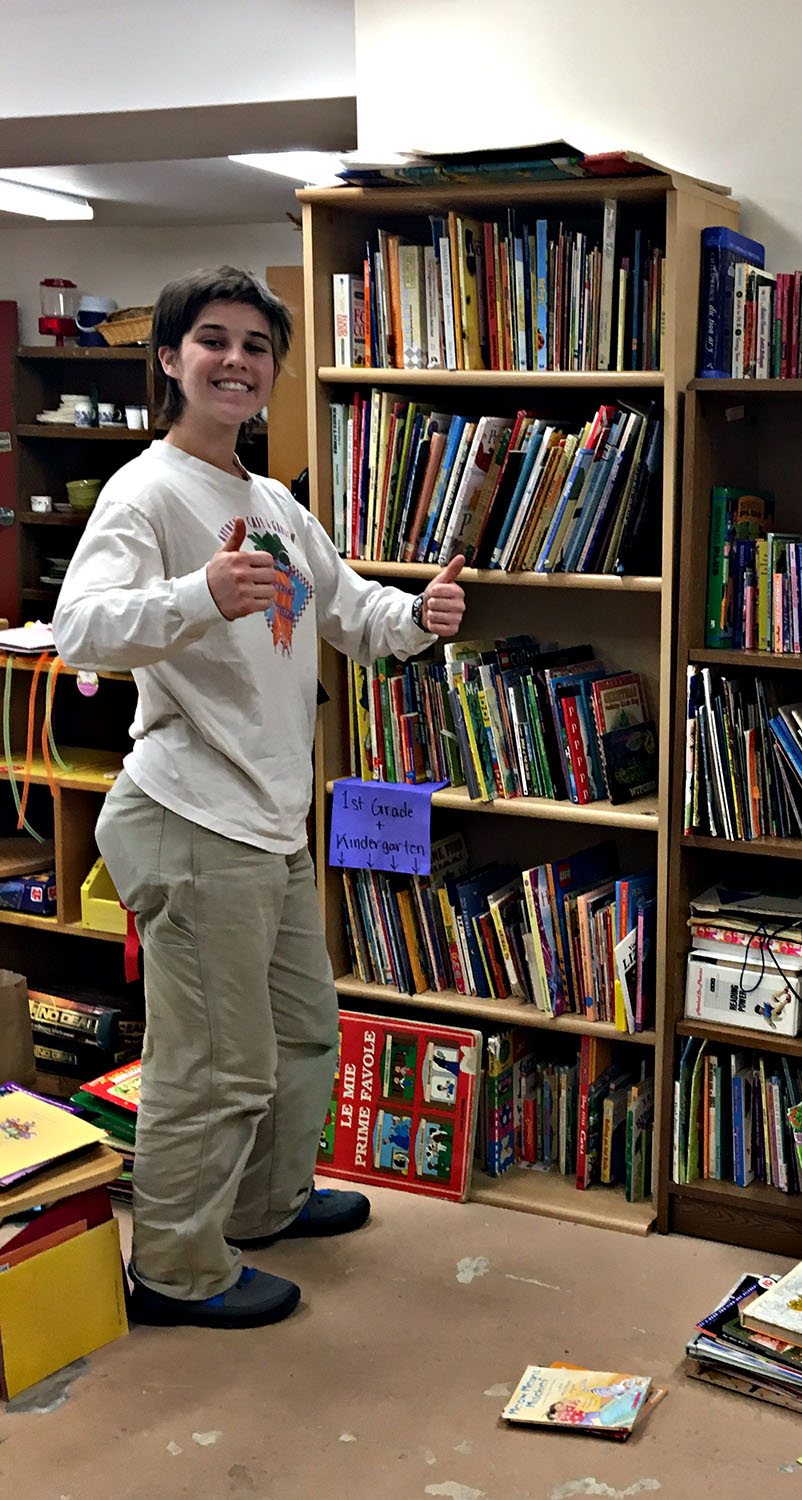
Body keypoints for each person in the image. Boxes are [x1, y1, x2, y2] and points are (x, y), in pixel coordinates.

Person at [53, 266, 467, 1329]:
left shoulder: (272, 501)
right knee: (214, 1063)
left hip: (272, 820)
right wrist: (198, 594)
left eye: (256, 346)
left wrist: (422, 615)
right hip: (190, 818)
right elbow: (82, 630)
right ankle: (178, 1271)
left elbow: (350, 611)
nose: (237, 360)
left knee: (301, 1034)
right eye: (214, 340)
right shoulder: (144, 493)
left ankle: (264, 1206)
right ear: (170, 360)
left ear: (274, 372)